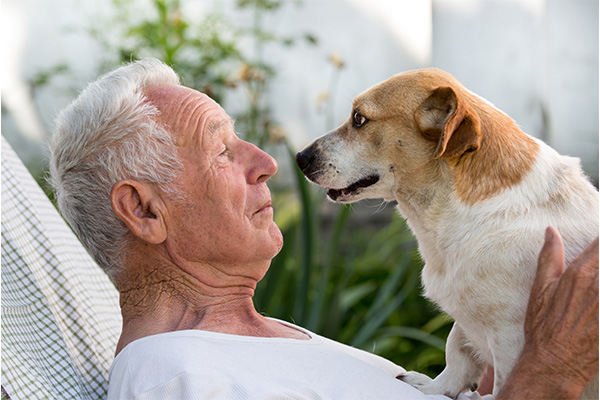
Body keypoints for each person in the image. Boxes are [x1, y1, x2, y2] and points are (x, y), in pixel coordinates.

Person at [48, 58, 598, 399]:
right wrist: (551, 374)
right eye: (222, 150)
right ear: (144, 211)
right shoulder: (175, 376)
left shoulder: (263, 345)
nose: (265, 160)